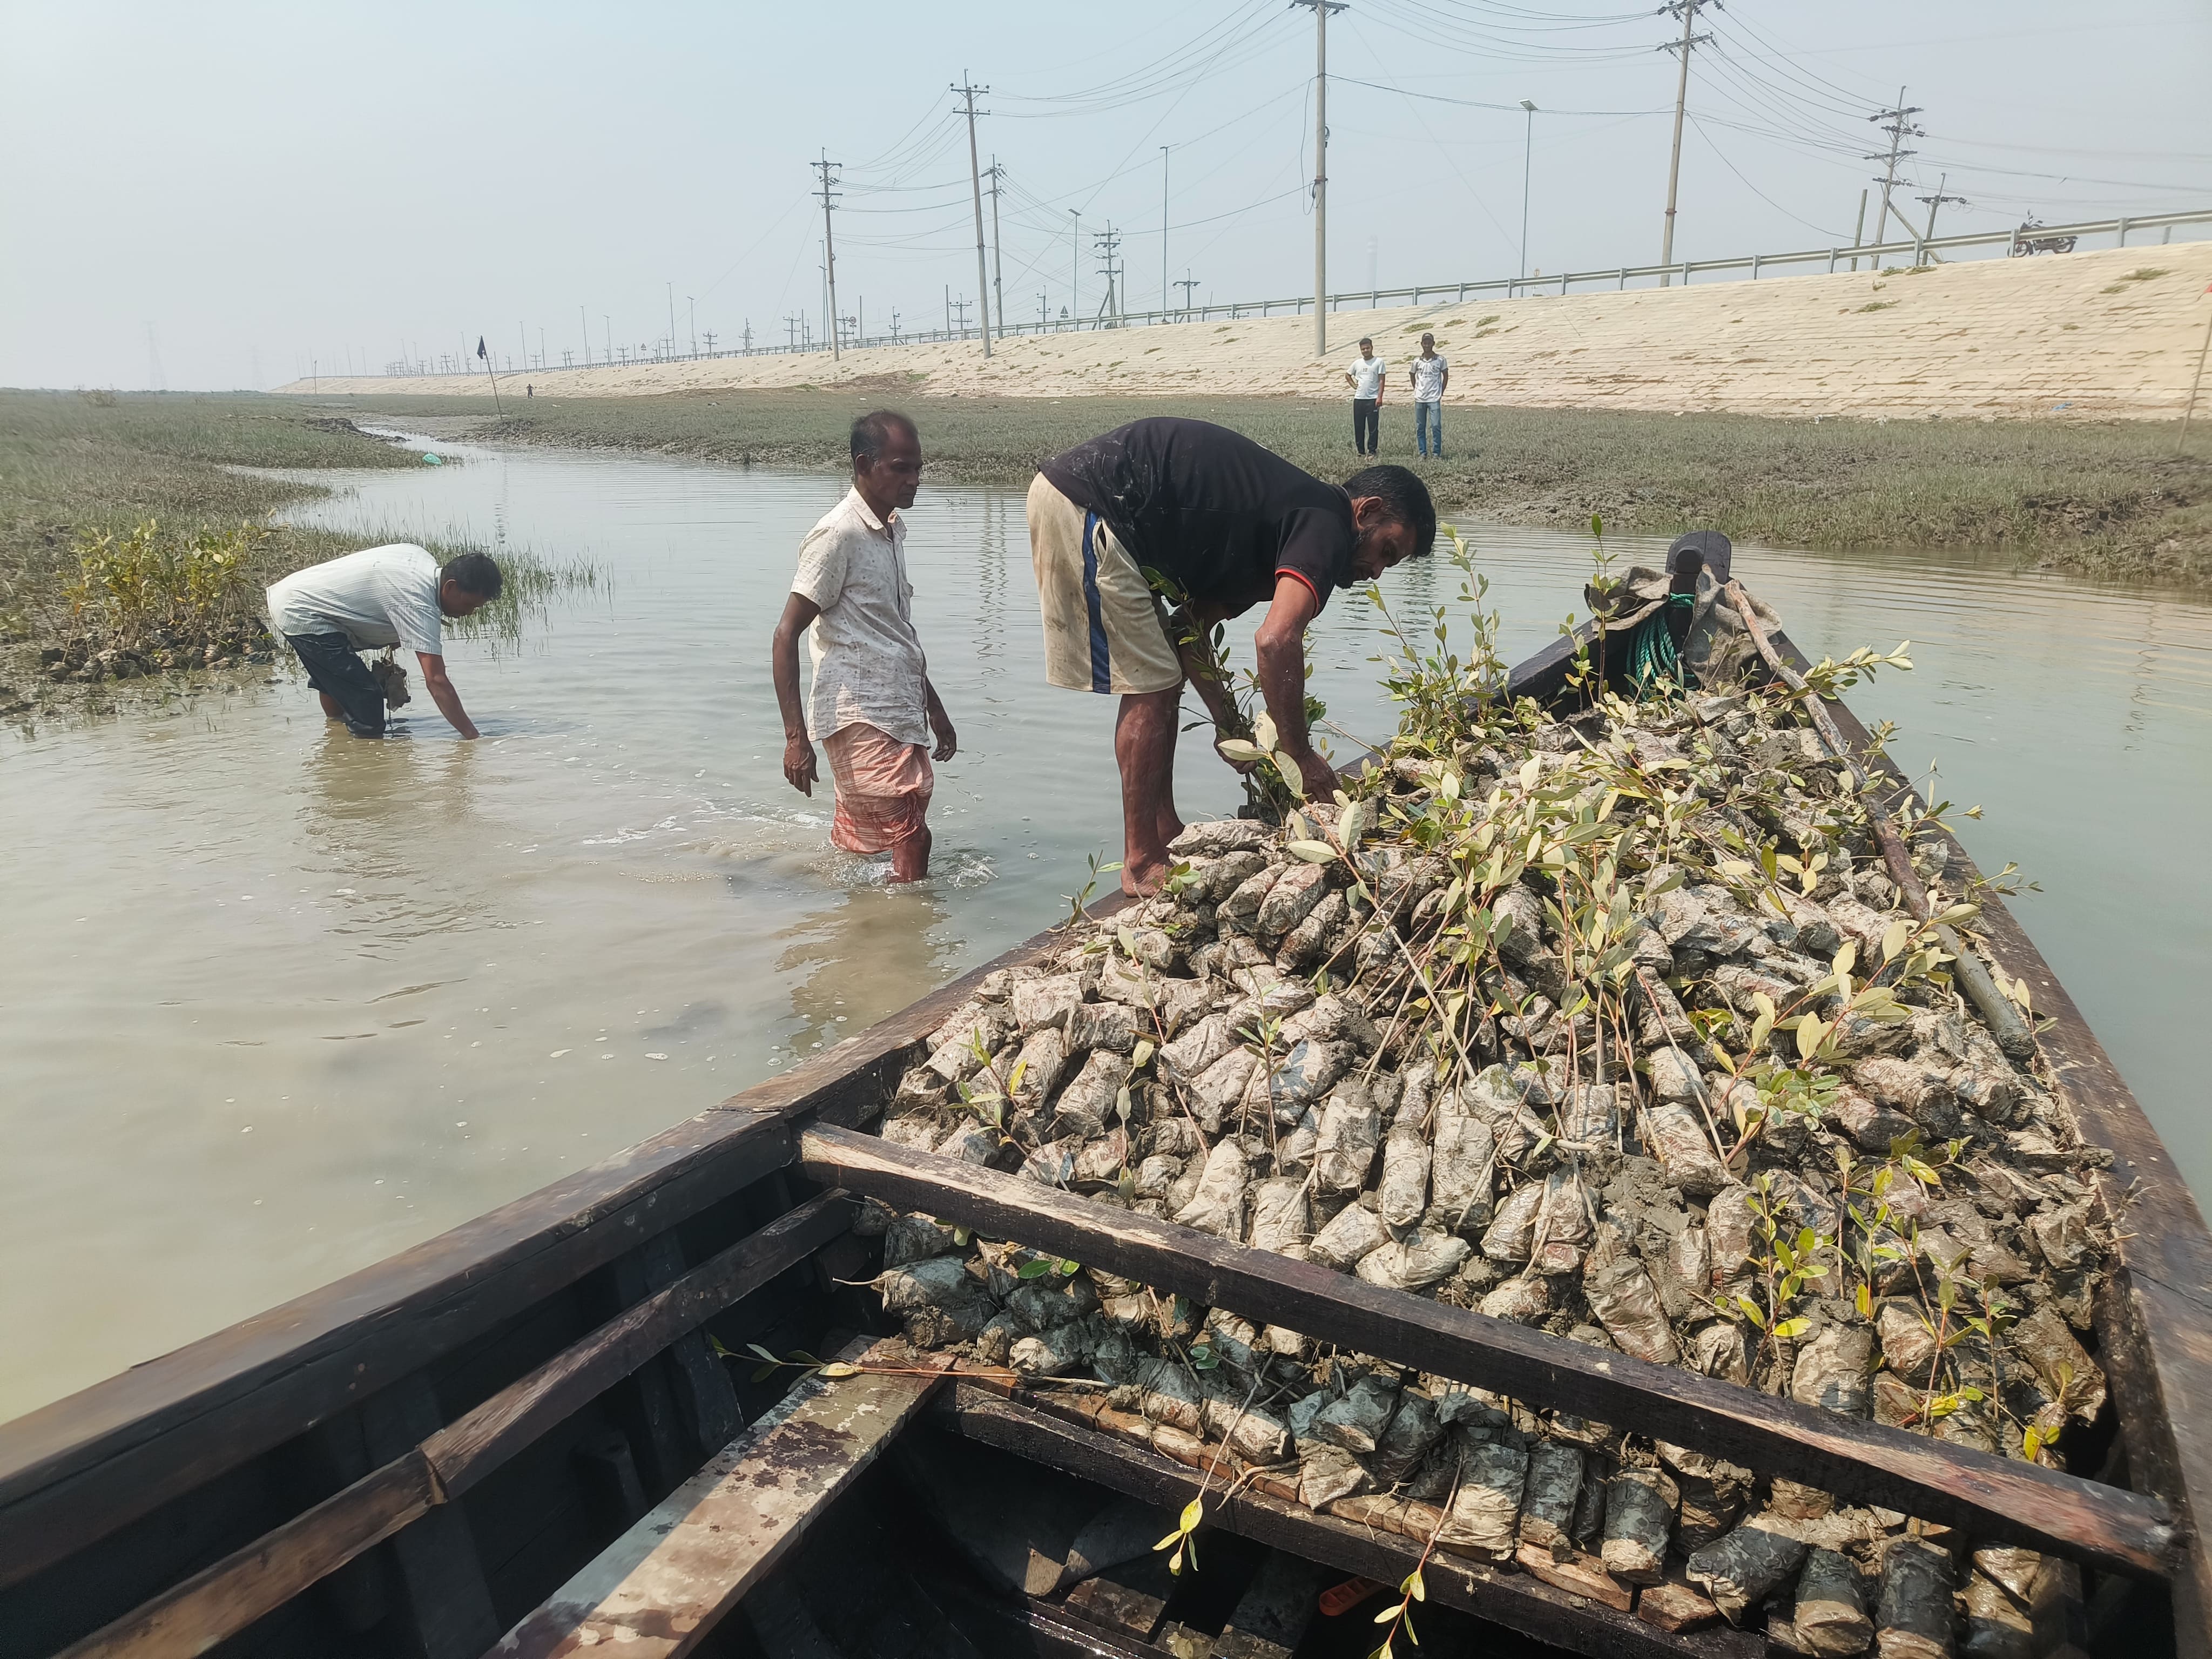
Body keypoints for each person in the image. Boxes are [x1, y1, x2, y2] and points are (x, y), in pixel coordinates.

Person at [1028, 417, 1435, 893]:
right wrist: (1299, 754)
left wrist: (1228, 725)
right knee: (1152, 684)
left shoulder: (1276, 536)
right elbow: (1277, 641)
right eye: (1386, 550)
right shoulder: (1326, 523)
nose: (1377, 572)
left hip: (1091, 500)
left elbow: (1188, 632)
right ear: (1366, 511)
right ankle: (1141, 863)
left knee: (1161, 673)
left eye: (1391, 563)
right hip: (1093, 503)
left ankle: (1163, 833)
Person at [771, 410, 957, 883]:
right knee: (911, 834)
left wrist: (934, 708)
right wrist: (796, 739)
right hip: (859, 708)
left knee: (897, 826)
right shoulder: (838, 535)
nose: (914, 479)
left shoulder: (891, 530)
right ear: (864, 464)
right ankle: (908, 937)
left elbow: (894, 631)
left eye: (918, 468)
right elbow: (786, 633)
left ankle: (858, 918)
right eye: (901, 468)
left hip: (899, 707)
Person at [266, 544, 502, 739]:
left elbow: (382, 592)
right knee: (366, 698)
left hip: (298, 595)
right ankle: (364, 764)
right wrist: (472, 737)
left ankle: (334, 738)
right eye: (470, 604)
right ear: (450, 587)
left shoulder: (420, 558)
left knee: (336, 680)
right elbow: (437, 681)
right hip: (302, 612)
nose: (470, 612)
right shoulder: (417, 601)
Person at [1410, 332, 1449, 459]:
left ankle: (1436, 453)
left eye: (1429, 342)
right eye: (1425, 342)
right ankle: (1423, 452)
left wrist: (1441, 391)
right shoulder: (1417, 361)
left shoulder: (1441, 360)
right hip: (1420, 398)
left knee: (1436, 426)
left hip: (1434, 398)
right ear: (1422, 344)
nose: (1427, 345)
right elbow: (1412, 375)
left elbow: (1446, 376)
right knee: (1420, 427)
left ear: (1433, 343)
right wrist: (1416, 388)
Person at [1344, 336, 1385, 455]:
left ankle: (1372, 451)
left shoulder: (1379, 362)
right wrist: (1354, 386)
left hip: (1372, 399)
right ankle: (1360, 451)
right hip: (1359, 399)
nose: (1365, 351)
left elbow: (1382, 380)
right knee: (1359, 426)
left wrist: (1380, 397)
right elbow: (1348, 375)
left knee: (1373, 428)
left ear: (1372, 348)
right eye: (1363, 349)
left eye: (1367, 348)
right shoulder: (1357, 363)